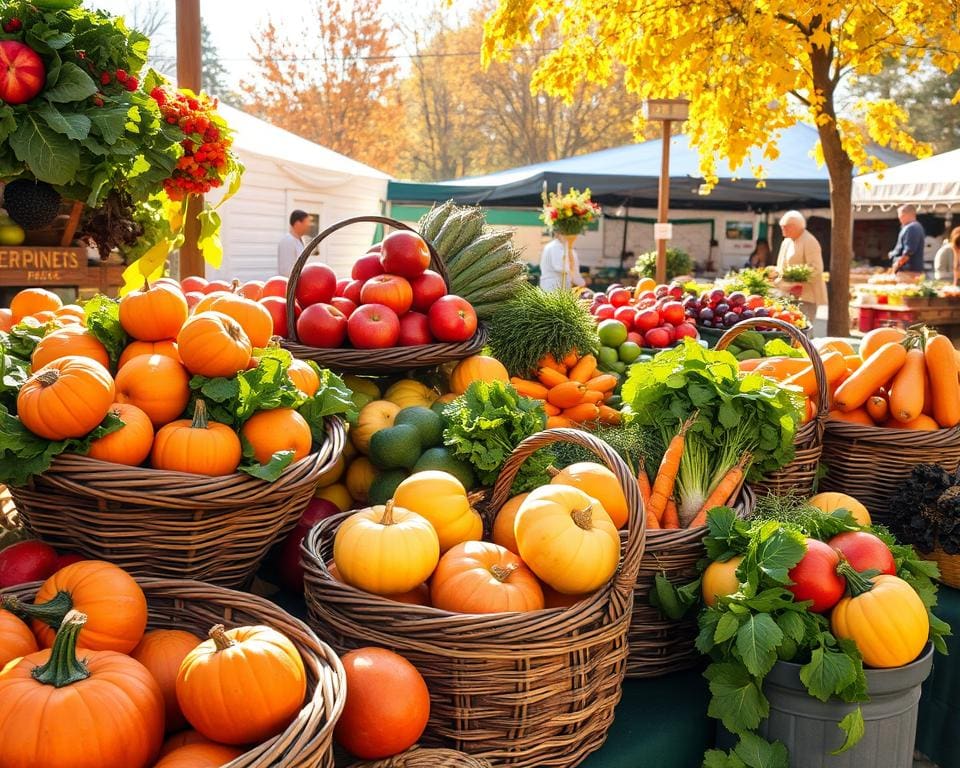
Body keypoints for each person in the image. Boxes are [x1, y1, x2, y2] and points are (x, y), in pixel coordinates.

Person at [774, 210, 827, 324]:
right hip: (788, 293)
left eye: (786, 227)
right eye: (782, 226)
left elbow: (816, 268)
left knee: (803, 328)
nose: (783, 229)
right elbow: (781, 266)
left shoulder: (810, 241)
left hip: (807, 296)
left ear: (796, 227)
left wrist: (800, 284)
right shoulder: (786, 242)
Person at [888, 204, 926, 275]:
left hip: (908, 271)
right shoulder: (914, 227)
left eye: (900, 215)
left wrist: (897, 265)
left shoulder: (912, 228)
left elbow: (908, 252)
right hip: (910, 270)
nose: (899, 218)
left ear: (905, 214)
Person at [277, 210, 312, 276]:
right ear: (298, 224)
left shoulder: (300, 240)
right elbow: (286, 271)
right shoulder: (287, 241)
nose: (309, 226)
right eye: (307, 223)